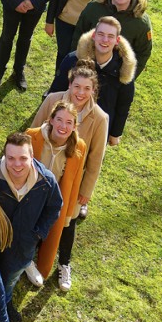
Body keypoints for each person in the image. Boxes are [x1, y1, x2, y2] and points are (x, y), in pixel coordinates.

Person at [0, 133, 62, 322]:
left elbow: (54, 207)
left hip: (23, 246)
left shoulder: (46, 182)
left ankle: (5, 302)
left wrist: (38, 233)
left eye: (23, 158)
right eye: (11, 158)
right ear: (4, 157)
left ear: (32, 156)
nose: (17, 164)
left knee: (9, 279)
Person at [35, 62, 108, 232]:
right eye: (76, 86)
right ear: (69, 85)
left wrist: (86, 190)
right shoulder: (52, 99)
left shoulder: (100, 118)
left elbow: (95, 159)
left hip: (69, 181)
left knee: (59, 224)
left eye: (86, 88)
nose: (80, 93)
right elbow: (33, 134)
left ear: (93, 90)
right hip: (41, 171)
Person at [24, 101, 86, 291]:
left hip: (53, 202)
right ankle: (24, 260)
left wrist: (67, 214)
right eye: (59, 120)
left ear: (74, 126)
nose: (63, 126)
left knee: (47, 235)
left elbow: (74, 182)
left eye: (69, 122)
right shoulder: (31, 136)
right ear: (51, 120)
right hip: (28, 197)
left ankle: (35, 264)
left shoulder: (79, 147)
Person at [51, 17, 136, 144]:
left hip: (97, 130)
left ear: (117, 40)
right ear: (94, 36)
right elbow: (56, 90)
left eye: (110, 36)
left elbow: (123, 106)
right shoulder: (72, 60)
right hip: (65, 125)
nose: (105, 40)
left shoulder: (123, 71)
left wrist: (115, 133)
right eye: (101, 34)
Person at [70, 0, 152, 78]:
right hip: (86, 71)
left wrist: (127, 78)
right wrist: (76, 66)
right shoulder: (93, 8)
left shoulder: (141, 23)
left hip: (115, 78)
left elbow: (143, 53)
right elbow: (78, 36)